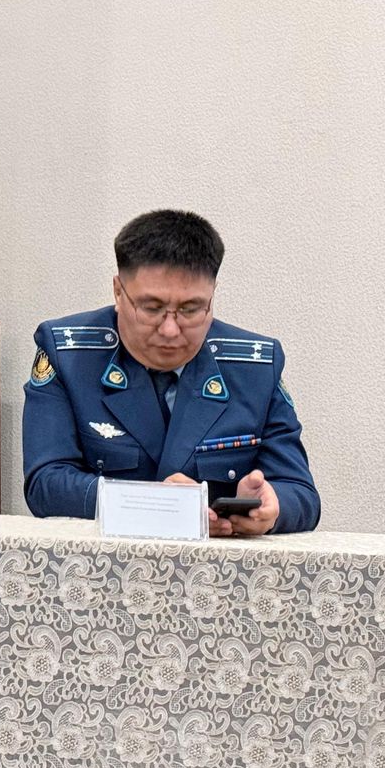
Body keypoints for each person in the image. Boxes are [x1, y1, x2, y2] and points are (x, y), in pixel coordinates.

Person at [21, 209, 319, 534]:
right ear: (118, 291)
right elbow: (45, 484)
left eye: (190, 310)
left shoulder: (255, 366)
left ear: (211, 297)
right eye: (152, 308)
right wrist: (154, 504)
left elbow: (300, 492)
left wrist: (272, 507)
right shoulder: (70, 354)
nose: (170, 329)